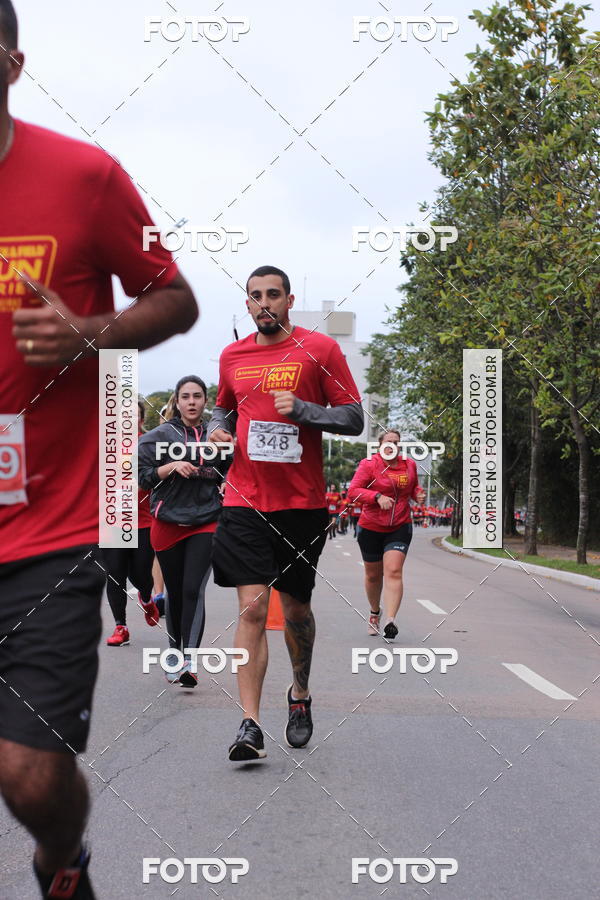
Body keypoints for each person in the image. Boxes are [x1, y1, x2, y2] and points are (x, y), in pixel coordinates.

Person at [0, 4, 198, 897]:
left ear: (11, 65)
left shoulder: (85, 177)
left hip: (49, 526)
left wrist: (90, 332)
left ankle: (63, 860)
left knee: (30, 775)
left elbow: (176, 295)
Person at [208, 265, 363, 761]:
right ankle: (250, 723)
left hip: (301, 505)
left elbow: (354, 417)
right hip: (244, 499)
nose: (264, 303)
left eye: (273, 294)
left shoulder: (320, 349)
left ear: (289, 300)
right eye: (255, 297)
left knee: (295, 609)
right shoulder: (233, 355)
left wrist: (305, 411)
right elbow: (224, 409)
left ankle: (299, 694)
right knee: (252, 608)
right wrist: (218, 431)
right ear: (248, 304)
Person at [138, 376, 229, 688]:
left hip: (207, 520)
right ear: (176, 402)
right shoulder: (157, 436)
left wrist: (225, 480)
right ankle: (174, 654)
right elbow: (142, 476)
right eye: (186, 397)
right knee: (175, 593)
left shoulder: (217, 437)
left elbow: (233, 469)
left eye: (198, 396)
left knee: (193, 589)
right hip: (168, 522)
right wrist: (170, 466)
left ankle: (188, 659)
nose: (192, 402)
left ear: (206, 401)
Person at [348, 431, 425, 639]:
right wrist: (376, 496)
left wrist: (418, 493)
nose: (393, 445)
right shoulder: (369, 464)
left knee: (394, 571)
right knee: (373, 576)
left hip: (399, 525)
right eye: (389, 442)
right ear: (380, 445)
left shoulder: (409, 465)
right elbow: (353, 491)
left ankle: (390, 620)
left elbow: (413, 487)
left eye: (397, 442)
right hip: (370, 526)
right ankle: (375, 612)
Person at [102, 399, 160, 646]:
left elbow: (158, 478)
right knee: (115, 574)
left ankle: (146, 597)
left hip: (143, 521)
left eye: (134, 416)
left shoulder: (149, 445)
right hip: (113, 521)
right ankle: (121, 627)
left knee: (141, 575)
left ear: (141, 419)